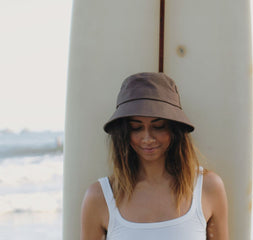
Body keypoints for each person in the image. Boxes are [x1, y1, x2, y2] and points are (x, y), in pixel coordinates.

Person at [80, 72, 229, 240]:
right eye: (136, 128)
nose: (147, 138)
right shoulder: (99, 197)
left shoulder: (208, 187)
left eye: (158, 126)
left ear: (174, 130)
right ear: (124, 133)